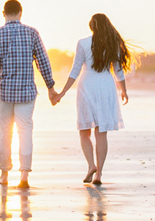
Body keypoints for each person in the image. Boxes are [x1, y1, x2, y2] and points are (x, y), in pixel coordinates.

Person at [0, 0, 57, 188]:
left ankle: (4, 174)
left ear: (3, 13)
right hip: (26, 92)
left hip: (4, 92)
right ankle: (24, 176)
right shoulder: (32, 33)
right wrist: (51, 87)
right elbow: (43, 62)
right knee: (25, 130)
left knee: (5, 132)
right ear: (20, 13)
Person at [53, 13, 132, 185]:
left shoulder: (83, 43)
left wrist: (62, 92)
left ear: (91, 26)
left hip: (87, 86)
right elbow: (118, 71)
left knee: (84, 131)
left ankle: (91, 165)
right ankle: (99, 175)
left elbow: (75, 70)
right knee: (101, 132)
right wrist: (124, 91)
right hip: (106, 86)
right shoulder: (113, 44)